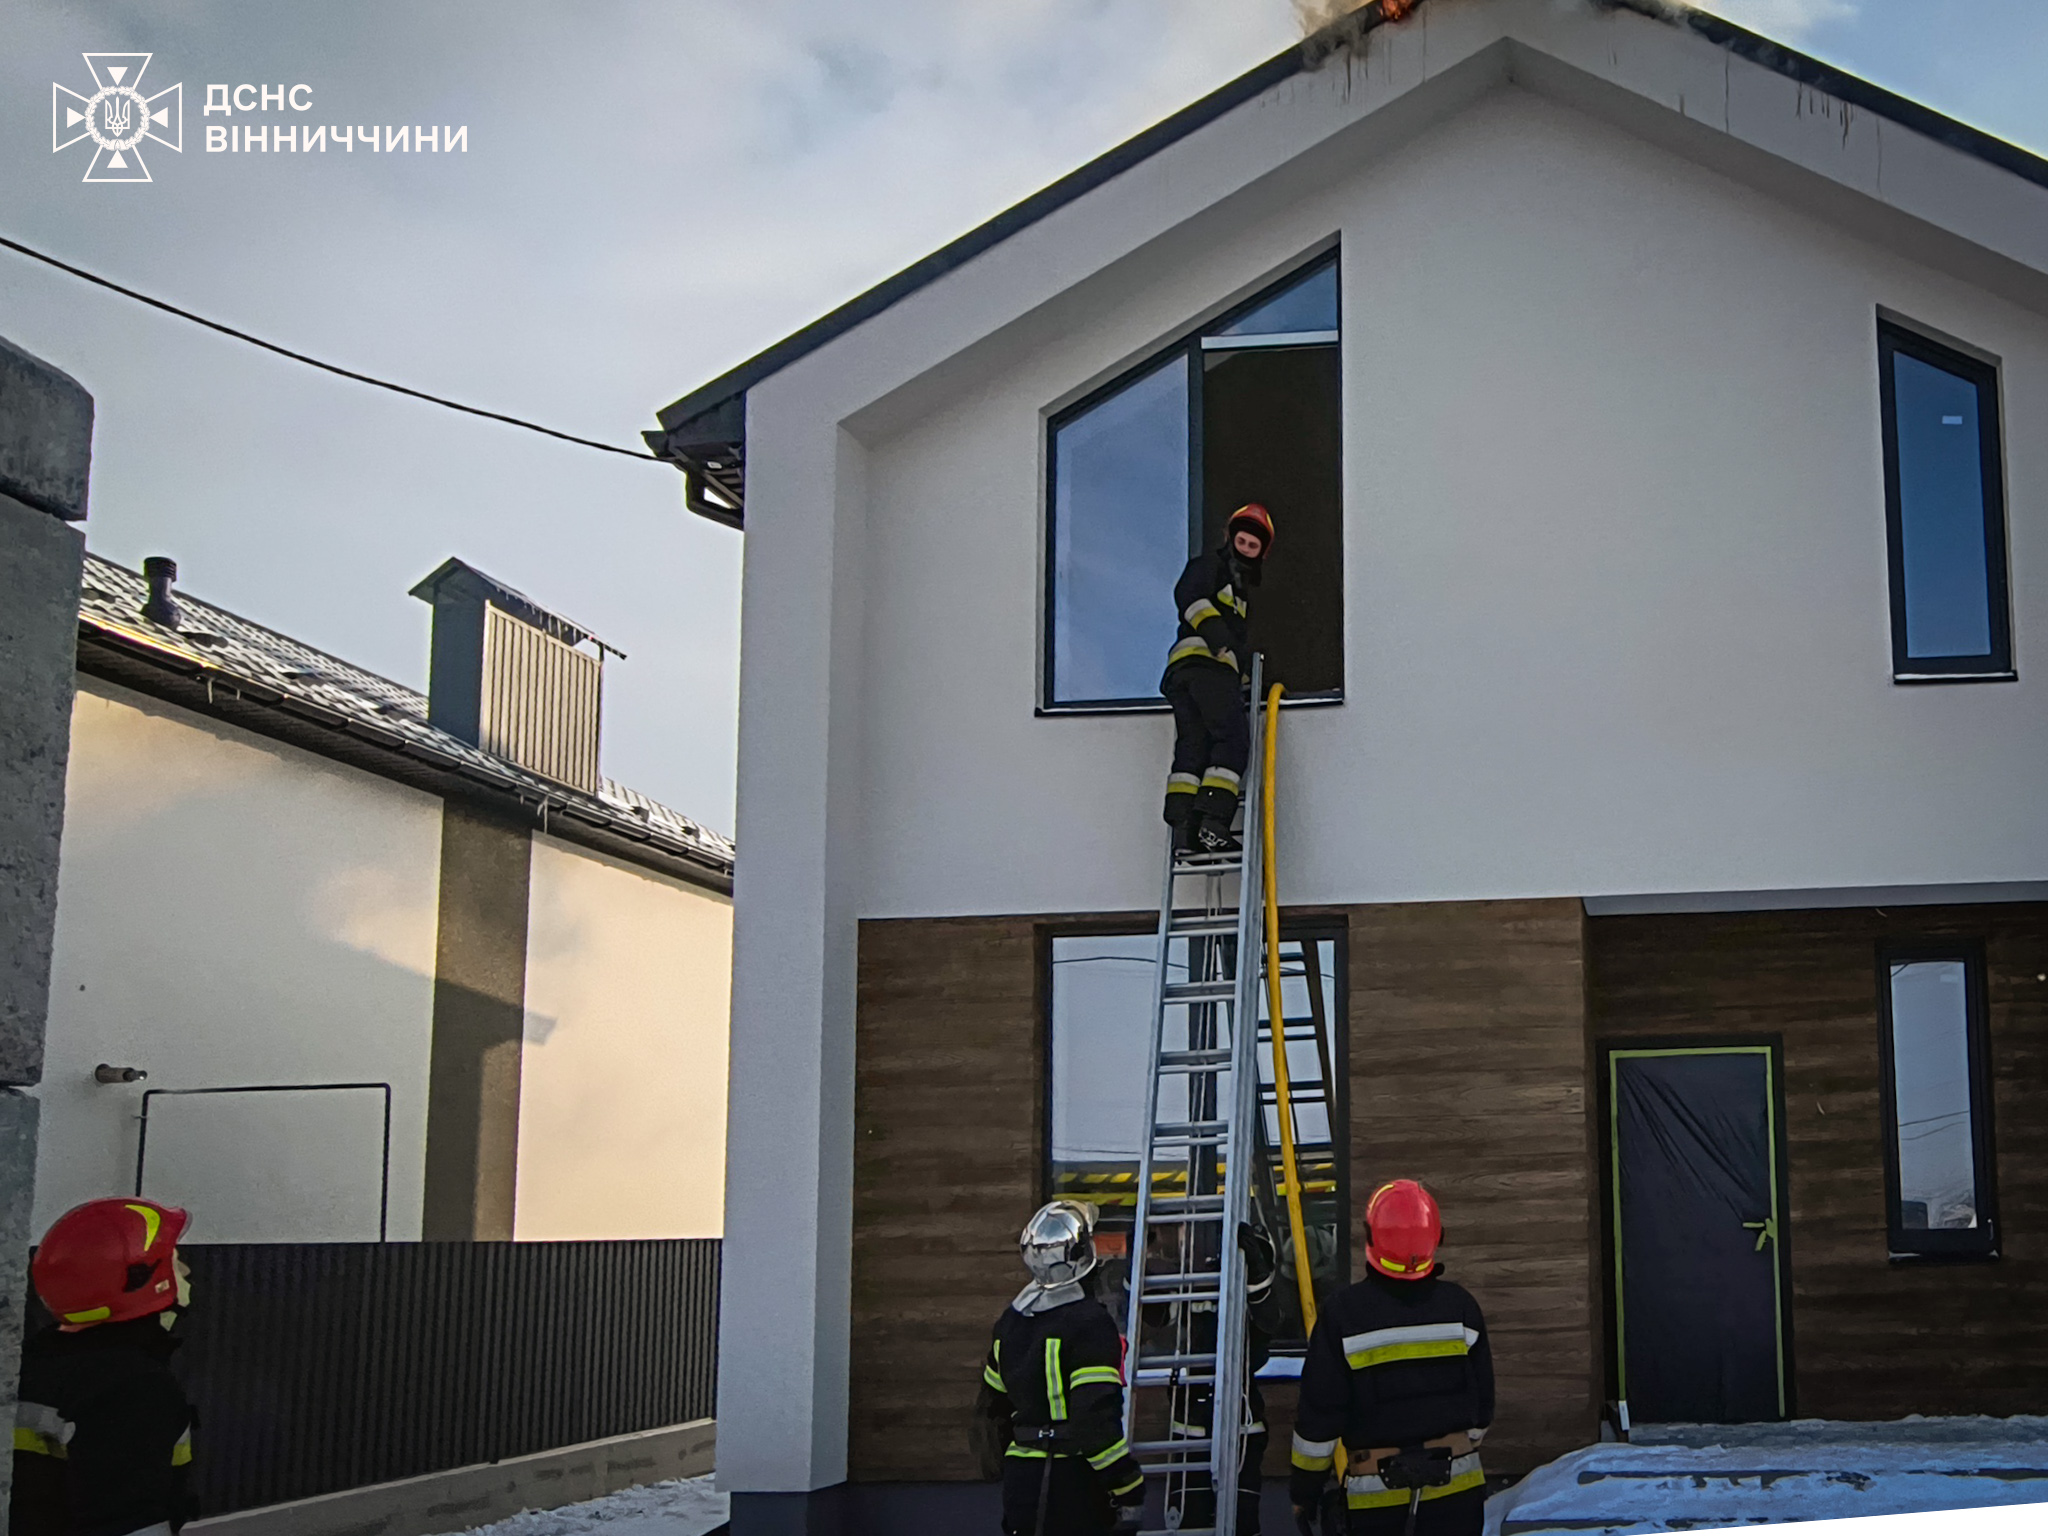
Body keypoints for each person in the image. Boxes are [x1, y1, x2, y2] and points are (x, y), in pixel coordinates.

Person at [1288, 1181, 1492, 1536]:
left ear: (1370, 1237)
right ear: (1437, 1237)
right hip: (1457, 1493)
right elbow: (1482, 1409)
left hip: (1377, 1502)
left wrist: (1303, 1492)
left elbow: (1318, 1420)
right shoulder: (1461, 1308)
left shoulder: (1343, 1315)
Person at [12, 1197, 198, 1536]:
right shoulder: (134, 1391)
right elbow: (129, 1522)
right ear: (140, 1281)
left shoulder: (33, 1363)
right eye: (176, 1261)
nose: (185, 1271)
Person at [974, 1201, 1147, 1535]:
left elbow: (991, 1410)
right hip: (1069, 1484)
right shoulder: (1089, 1324)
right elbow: (1095, 1422)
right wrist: (1128, 1484)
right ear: (1083, 1254)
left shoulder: (1010, 1323)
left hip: (1021, 1485)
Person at [1162, 504, 1275, 855]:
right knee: (1233, 741)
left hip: (1183, 673)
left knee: (1194, 746)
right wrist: (1219, 637)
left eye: (1252, 545)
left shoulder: (1239, 591)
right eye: (1242, 541)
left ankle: (1185, 832)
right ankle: (1213, 822)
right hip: (1207, 669)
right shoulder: (1211, 568)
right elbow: (1188, 597)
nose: (1245, 548)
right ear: (1229, 538)